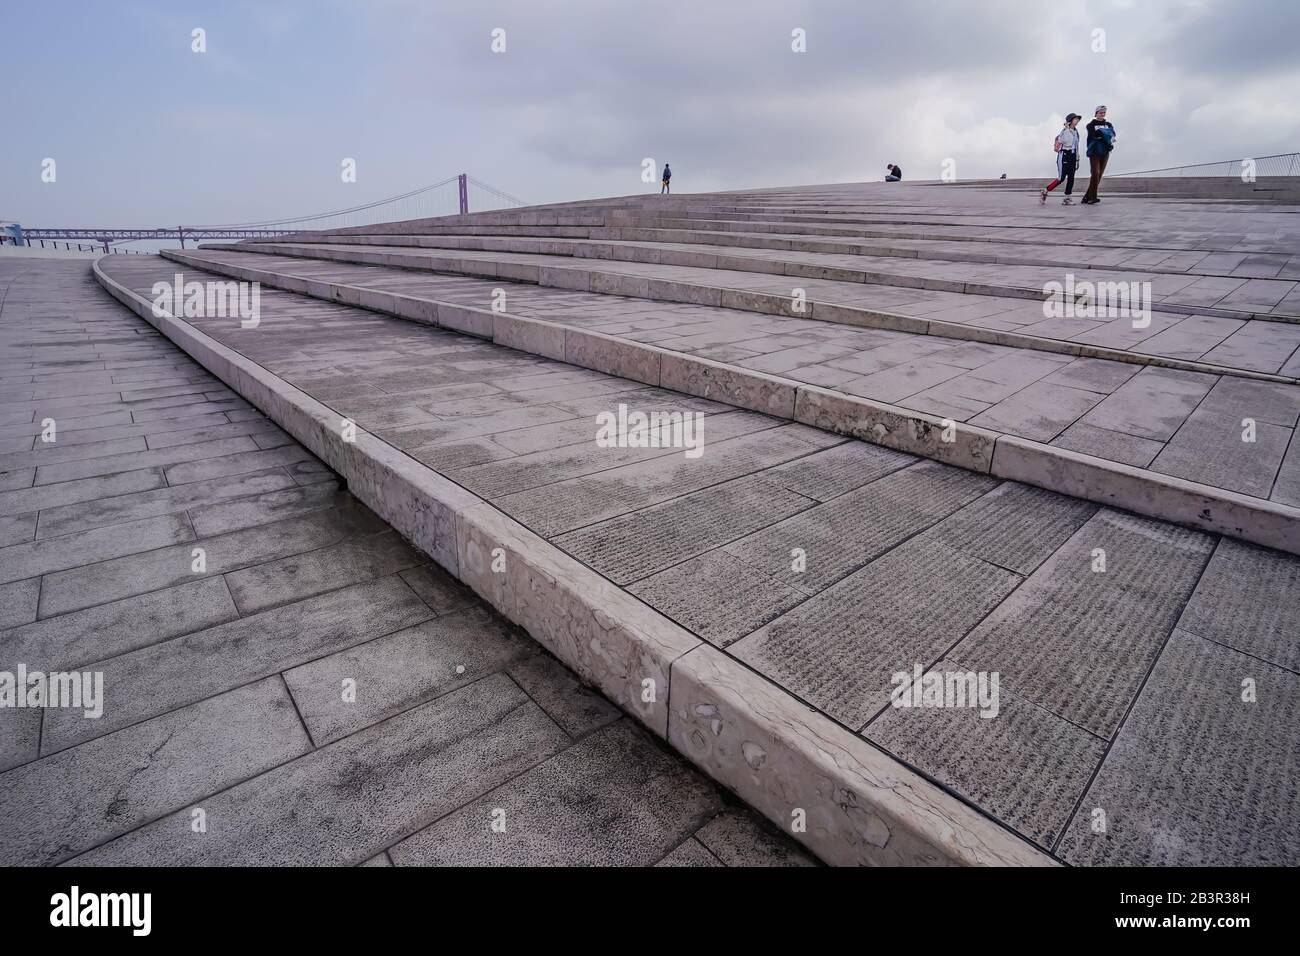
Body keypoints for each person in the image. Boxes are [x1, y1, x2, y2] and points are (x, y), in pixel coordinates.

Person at [1040, 113, 1081, 205]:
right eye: (1075, 119)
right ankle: (1045, 191)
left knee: (1071, 178)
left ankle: (1067, 198)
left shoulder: (1076, 132)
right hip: (1064, 155)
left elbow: (1076, 145)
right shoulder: (1064, 132)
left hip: (1073, 156)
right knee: (1061, 178)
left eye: (1078, 119)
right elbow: (1067, 141)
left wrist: (1077, 158)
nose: (1077, 121)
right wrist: (1067, 129)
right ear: (1070, 121)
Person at [1082, 105, 1116, 204]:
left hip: (1105, 152)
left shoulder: (1108, 124)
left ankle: (1086, 197)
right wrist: (1105, 134)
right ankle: (1093, 197)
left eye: (1104, 112)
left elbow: (1112, 135)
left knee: (1099, 175)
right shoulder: (1090, 125)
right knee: (1095, 173)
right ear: (1096, 113)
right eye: (1100, 112)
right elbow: (1094, 135)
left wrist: (1102, 133)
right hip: (1094, 152)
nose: (1102, 114)